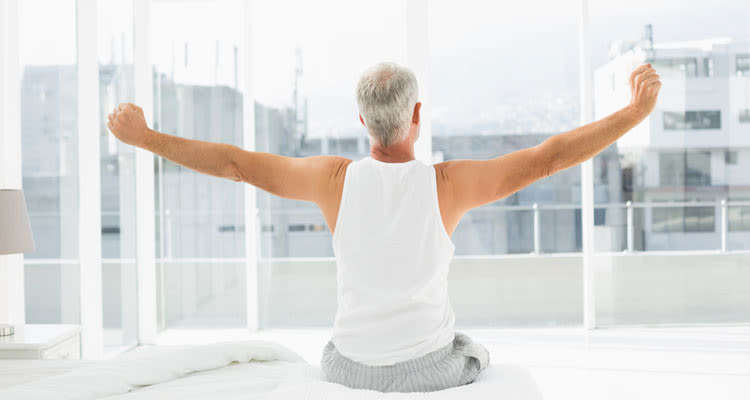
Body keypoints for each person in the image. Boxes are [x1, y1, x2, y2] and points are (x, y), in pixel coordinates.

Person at [107, 62, 661, 393]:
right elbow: (549, 159)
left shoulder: (333, 180)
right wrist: (634, 114)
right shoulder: (447, 184)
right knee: (470, 350)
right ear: (416, 115)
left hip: (347, 369)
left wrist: (146, 137)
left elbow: (235, 163)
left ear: (362, 122)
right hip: (430, 372)